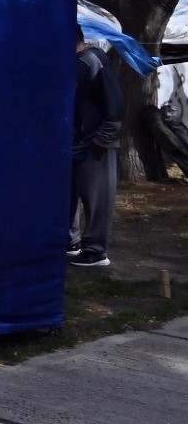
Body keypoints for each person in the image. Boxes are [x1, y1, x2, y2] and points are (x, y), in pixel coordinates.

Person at [71, 30, 124, 267]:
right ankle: (71, 242)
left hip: (95, 143)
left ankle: (95, 251)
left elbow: (114, 105)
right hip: (76, 144)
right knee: (71, 196)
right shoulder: (75, 63)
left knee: (97, 199)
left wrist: (101, 141)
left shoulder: (94, 60)